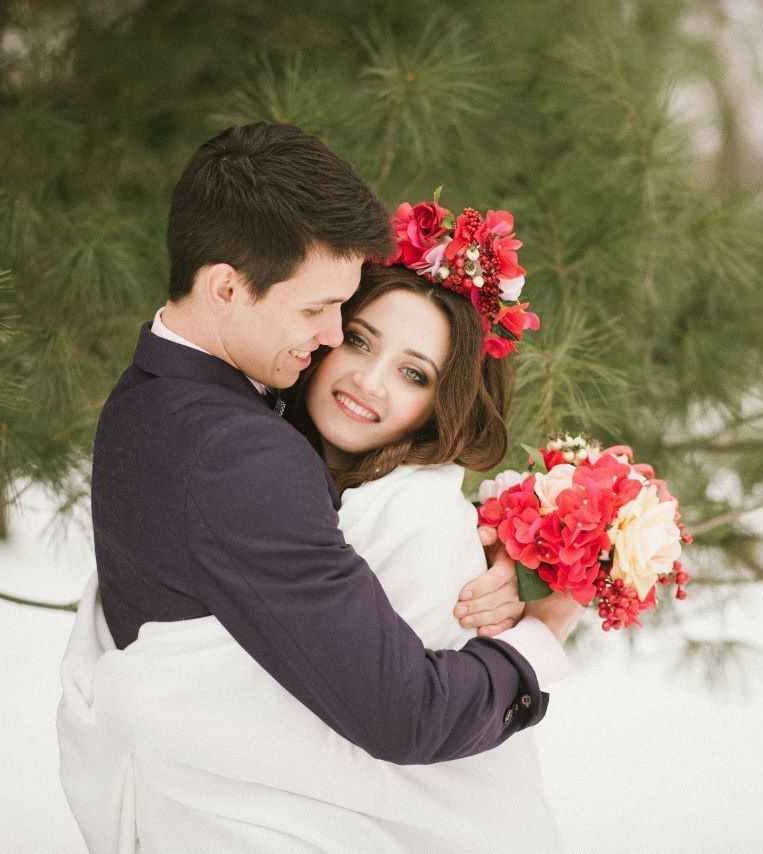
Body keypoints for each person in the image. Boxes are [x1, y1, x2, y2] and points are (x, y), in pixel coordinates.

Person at [57, 123, 580, 852]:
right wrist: (543, 637)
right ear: (226, 287)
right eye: (318, 312)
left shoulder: (147, 395)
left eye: (412, 370)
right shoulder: (240, 455)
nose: (335, 338)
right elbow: (407, 714)